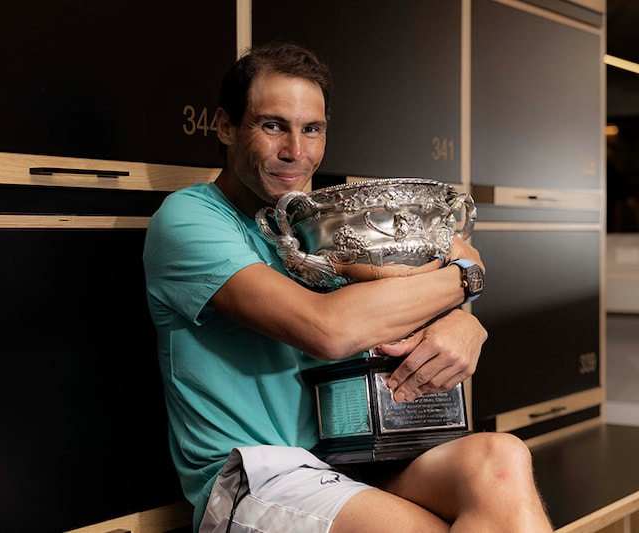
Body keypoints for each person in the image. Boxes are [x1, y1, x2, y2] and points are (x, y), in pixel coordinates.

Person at [143, 41, 554, 532]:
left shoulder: (321, 222)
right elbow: (329, 329)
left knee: (502, 458)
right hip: (261, 477)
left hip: (359, 456)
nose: (296, 151)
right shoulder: (189, 219)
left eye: (312, 129)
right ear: (226, 126)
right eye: (273, 125)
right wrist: (465, 281)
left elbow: (438, 272)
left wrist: (464, 322)